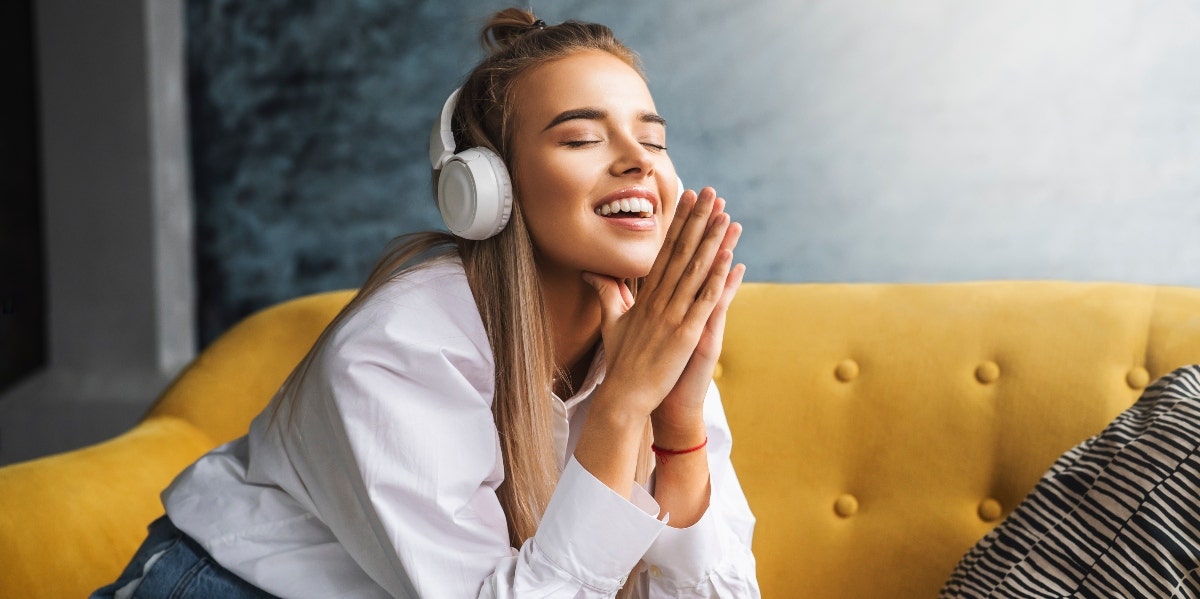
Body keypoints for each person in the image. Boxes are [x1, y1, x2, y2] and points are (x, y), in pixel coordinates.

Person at [92, 8, 760, 599]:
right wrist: (621, 410)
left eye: (653, 139)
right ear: (487, 187)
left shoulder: (655, 335)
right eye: (583, 138)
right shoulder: (404, 344)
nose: (638, 162)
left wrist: (677, 427)